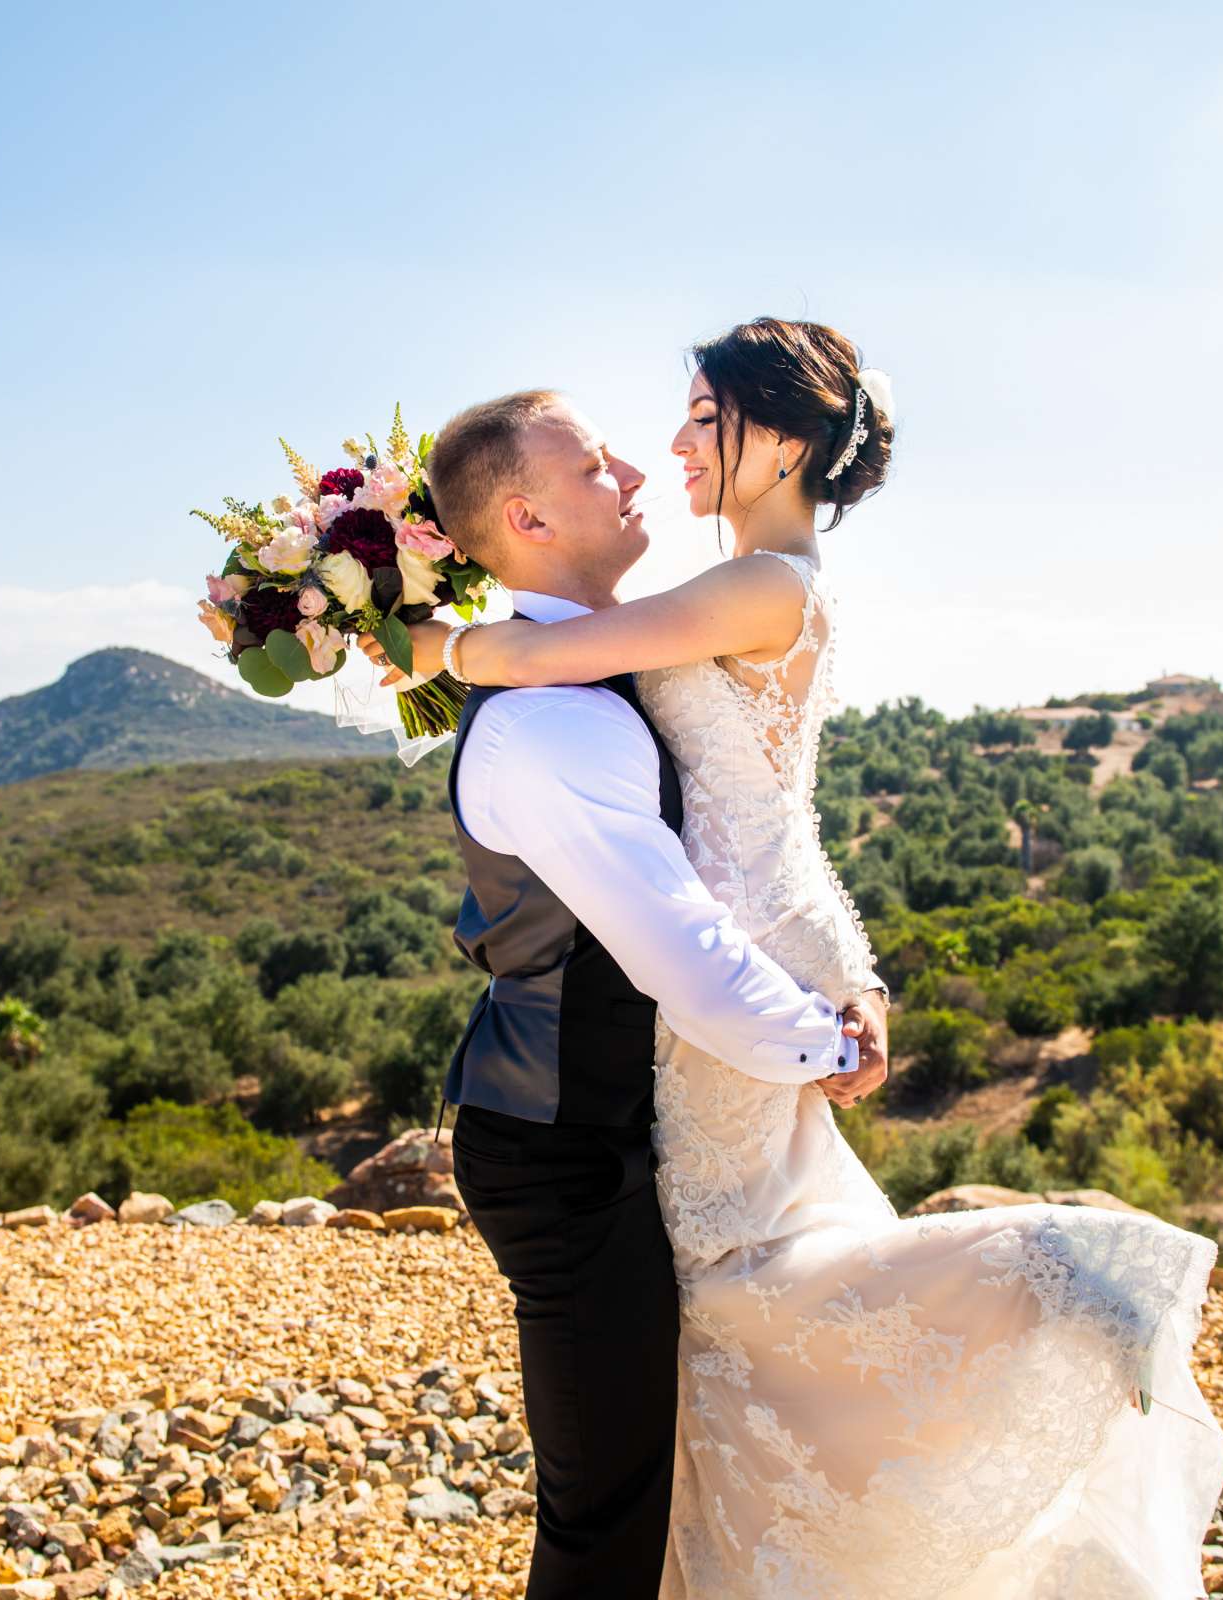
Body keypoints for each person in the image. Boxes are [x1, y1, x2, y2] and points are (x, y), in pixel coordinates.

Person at [382, 321, 1223, 1599]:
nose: (671, 443)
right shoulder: (750, 583)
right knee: (738, 1279)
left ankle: (1053, 1289)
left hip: (727, 984)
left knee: (739, 1279)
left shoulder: (762, 585)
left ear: (781, 438)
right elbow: (788, 822)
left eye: (701, 415)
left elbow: (545, 652)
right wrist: (858, 975)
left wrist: (430, 649)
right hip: (758, 948)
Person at [416, 386, 894, 1600]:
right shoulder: (552, 732)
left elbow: (771, 828)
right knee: (607, 1517)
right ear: (525, 515)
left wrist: (853, 980)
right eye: (593, 464)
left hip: (628, 1126)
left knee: (676, 1465)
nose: (635, 468)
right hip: (565, 1150)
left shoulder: (625, 657)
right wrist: (821, 1041)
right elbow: (681, 954)